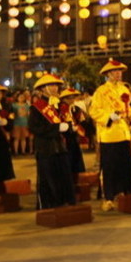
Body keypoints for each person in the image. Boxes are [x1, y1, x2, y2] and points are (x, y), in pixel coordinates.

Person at [88, 59, 131, 211]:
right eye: (115, 72)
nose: (118, 74)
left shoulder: (124, 89)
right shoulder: (101, 91)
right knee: (109, 168)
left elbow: (126, 108)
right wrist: (108, 116)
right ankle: (109, 197)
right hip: (109, 134)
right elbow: (94, 111)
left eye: (120, 72)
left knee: (125, 166)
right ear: (108, 74)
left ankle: (125, 194)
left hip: (123, 133)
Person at [30, 74, 76, 210]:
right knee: (47, 179)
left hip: (60, 147)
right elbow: (35, 128)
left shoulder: (59, 105)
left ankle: (64, 202)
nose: (55, 88)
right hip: (46, 148)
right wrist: (56, 128)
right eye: (51, 85)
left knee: (64, 176)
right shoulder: (36, 107)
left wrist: (69, 128)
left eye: (56, 85)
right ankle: (49, 205)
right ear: (43, 89)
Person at [59, 88, 87, 175]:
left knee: (76, 155)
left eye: (73, 97)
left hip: (74, 134)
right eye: (69, 98)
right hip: (66, 135)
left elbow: (81, 120)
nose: (72, 100)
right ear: (64, 99)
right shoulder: (61, 108)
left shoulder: (74, 107)